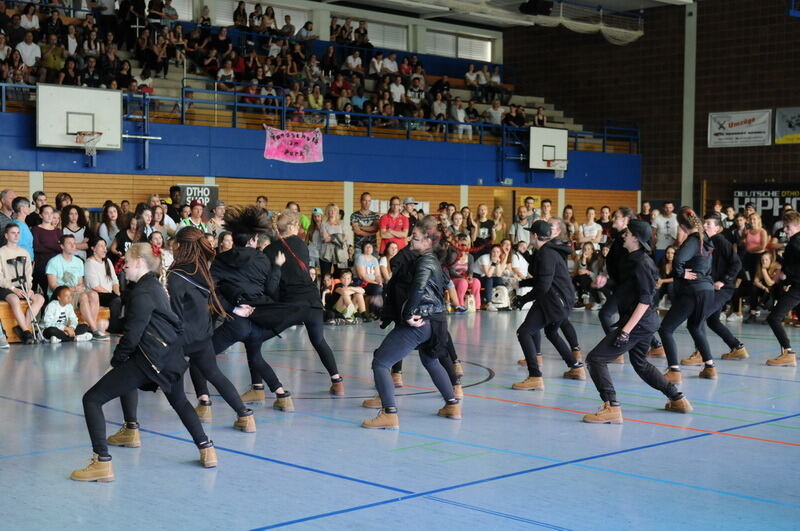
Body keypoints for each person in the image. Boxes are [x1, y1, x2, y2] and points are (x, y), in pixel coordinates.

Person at [70, 243, 218, 482]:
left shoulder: (143, 291)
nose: (124, 265)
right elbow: (138, 321)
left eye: (127, 260)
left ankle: (101, 463)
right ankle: (206, 449)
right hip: (171, 355)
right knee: (179, 401)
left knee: (92, 399)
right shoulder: (153, 286)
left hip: (151, 358)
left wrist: (115, 363)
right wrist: (110, 325)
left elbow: (133, 336)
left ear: (139, 262)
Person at [583, 219, 693, 424]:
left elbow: (644, 300)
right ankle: (678, 399)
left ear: (634, 237)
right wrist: (606, 280)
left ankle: (612, 407)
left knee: (596, 359)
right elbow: (629, 287)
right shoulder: (633, 258)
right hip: (645, 321)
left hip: (640, 321)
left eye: (627, 232)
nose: (623, 235)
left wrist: (625, 331)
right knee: (640, 363)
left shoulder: (642, 262)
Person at [361, 216, 460, 430]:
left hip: (421, 321)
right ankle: (452, 405)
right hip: (437, 320)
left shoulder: (425, 261)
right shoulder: (432, 259)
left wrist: (407, 315)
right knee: (431, 360)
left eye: (414, 238)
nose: (410, 241)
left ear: (427, 240)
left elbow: (418, 289)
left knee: (380, 362)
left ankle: (389, 413)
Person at [210, 206, 301, 412]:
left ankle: (205, 402)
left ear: (233, 239)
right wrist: (277, 267)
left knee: (204, 356)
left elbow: (212, 291)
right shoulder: (262, 259)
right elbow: (270, 289)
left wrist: (232, 309)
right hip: (258, 319)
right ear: (252, 240)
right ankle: (282, 395)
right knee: (256, 357)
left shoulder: (220, 260)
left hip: (237, 321)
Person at [512, 220, 584, 391]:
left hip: (553, 302)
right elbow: (543, 279)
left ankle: (535, 376)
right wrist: (522, 285)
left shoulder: (546, 254)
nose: (530, 236)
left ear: (535, 236)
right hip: (561, 301)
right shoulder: (549, 251)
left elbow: (543, 286)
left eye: (531, 234)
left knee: (524, 332)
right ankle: (576, 367)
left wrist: (523, 299)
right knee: (551, 332)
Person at [680, 215, 749, 367]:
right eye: (704, 223)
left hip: (722, 288)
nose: (705, 225)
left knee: (699, 317)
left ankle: (700, 353)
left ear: (718, 228)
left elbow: (737, 264)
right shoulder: (703, 241)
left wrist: (723, 281)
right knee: (713, 321)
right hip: (710, 287)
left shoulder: (720, 241)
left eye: (709, 224)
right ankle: (737, 347)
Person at [658, 208, 715, 383]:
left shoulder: (692, 240)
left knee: (666, 329)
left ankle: (674, 370)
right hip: (707, 290)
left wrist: (681, 274)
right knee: (695, 327)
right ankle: (710, 367)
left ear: (682, 226)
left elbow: (678, 259)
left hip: (693, 291)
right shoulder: (705, 240)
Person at [46, 234, 108, 340]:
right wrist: (72, 289)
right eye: (69, 244)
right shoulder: (53, 262)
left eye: (74, 243)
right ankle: (94, 330)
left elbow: (80, 282)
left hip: (75, 293)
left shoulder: (78, 262)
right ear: (62, 246)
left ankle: (89, 328)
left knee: (93, 294)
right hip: (59, 296)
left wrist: (79, 287)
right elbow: (53, 287)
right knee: (83, 297)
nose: (73, 246)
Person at [764, 210, 800, 367]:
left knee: (774, 318)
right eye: (784, 227)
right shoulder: (794, 241)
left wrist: (783, 274)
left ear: (798, 225)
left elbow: (792, 267)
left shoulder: (795, 242)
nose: (785, 230)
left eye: (788, 227)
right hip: (795, 285)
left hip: (798, 288)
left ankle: (788, 353)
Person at [0, 224, 45, 343]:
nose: (16, 235)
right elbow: (0, 278)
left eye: (18, 233)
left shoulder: (24, 252)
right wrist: (14, 289)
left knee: (39, 298)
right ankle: (26, 331)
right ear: (6, 235)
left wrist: (29, 288)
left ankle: (22, 328)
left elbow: (29, 274)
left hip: (23, 286)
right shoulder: (1, 252)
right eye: (13, 233)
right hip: (6, 286)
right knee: (14, 299)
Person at [84, 237, 123, 334]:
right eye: (101, 246)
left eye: (105, 246)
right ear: (93, 248)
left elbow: (115, 280)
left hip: (109, 293)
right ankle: (112, 327)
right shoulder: (89, 263)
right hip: (97, 294)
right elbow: (95, 286)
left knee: (129, 296)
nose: (104, 248)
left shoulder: (107, 261)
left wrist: (117, 292)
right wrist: (113, 295)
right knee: (116, 300)